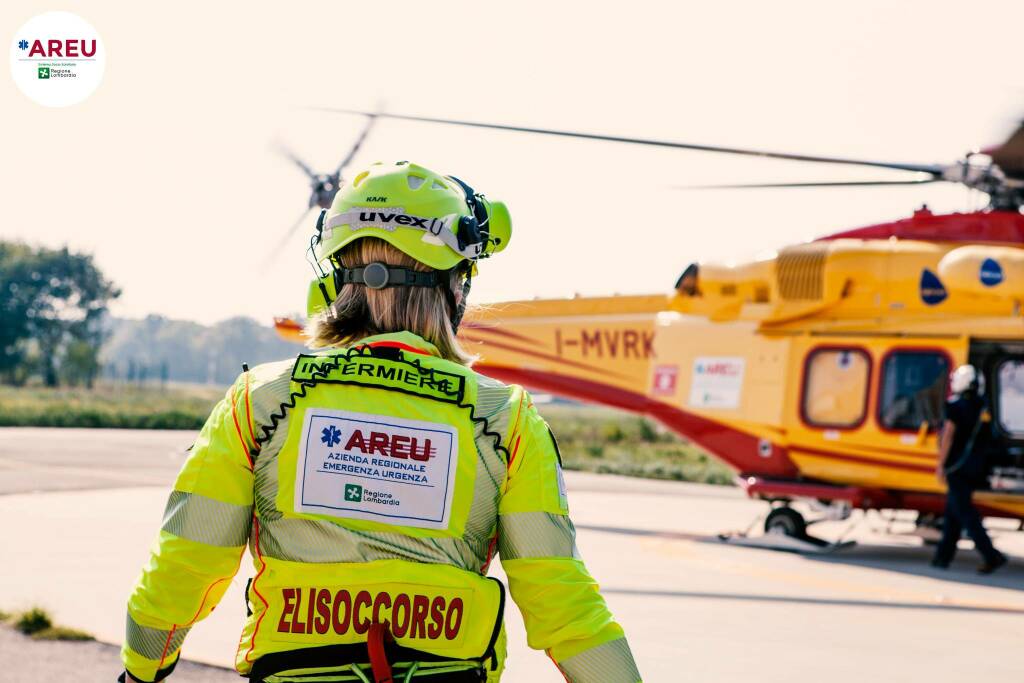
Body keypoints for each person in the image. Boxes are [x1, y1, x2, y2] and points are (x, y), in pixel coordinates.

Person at [119, 162, 641, 682]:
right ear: (454, 289)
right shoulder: (505, 419)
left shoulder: (262, 399)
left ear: (336, 278)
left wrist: (142, 669)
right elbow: (563, 600)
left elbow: (187, 560)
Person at [931, 364, 1007, 574]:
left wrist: (940, 464)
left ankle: (991, 555)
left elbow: (948, 436)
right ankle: (942, 558)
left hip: (957, 467)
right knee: (953, 512)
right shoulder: (984, 406)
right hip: (976, 468)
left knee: (965, 514)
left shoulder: (954, 406)